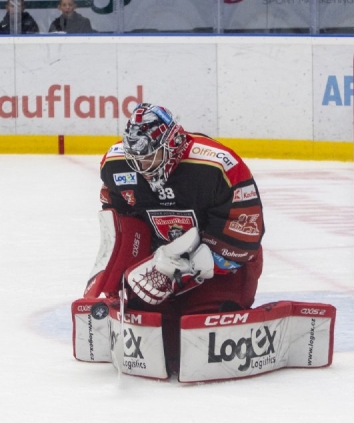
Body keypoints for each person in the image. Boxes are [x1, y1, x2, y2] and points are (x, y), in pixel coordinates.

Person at [96, 103, 264, 374]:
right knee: (150, 323)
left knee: (202, 325)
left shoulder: (217, 166)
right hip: (159, 263)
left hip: (222, 266)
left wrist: (192, 265)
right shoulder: (116, 166)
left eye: (149, 157)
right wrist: (122, 274)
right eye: (136, 159)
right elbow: (121, 226)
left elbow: (246, 229)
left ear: (172, 143)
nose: (142, 166)